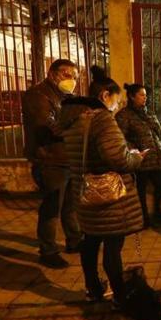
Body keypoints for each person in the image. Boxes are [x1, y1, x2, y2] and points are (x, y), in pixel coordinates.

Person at [59, 66, 147, 302]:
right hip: (108, 198)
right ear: (105, 96)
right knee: (112, 245)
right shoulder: (101, 120)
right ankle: (120, 294)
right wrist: (136, 157)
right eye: (115, 101)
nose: (116, 107)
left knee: (90, 241)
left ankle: (93, 289)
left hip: (85, 191)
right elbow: (117, 158)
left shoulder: (72, 119)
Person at [22, 59, 82, 268]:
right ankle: (48, 250)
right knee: (52, 206)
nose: (72, 80)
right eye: (67, 75)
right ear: (52, 74)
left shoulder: (65, 97)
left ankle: (74, 240)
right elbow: (47, 126)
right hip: (49, 159)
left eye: (75, 76)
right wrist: (77, 128)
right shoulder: (38, 95)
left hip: (67, 158)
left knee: (70, 205)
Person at [116, 83, 161, 227]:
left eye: (146, 95)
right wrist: (134, 150)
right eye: (141, 95)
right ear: (132, 96)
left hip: (157, 157)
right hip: (141, 160)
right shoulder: (123, 115)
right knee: (140, 190)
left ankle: (158, 211)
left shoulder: (149, 113)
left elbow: (159, 132)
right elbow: (121, 138)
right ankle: (143, 217)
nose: (145, 98)